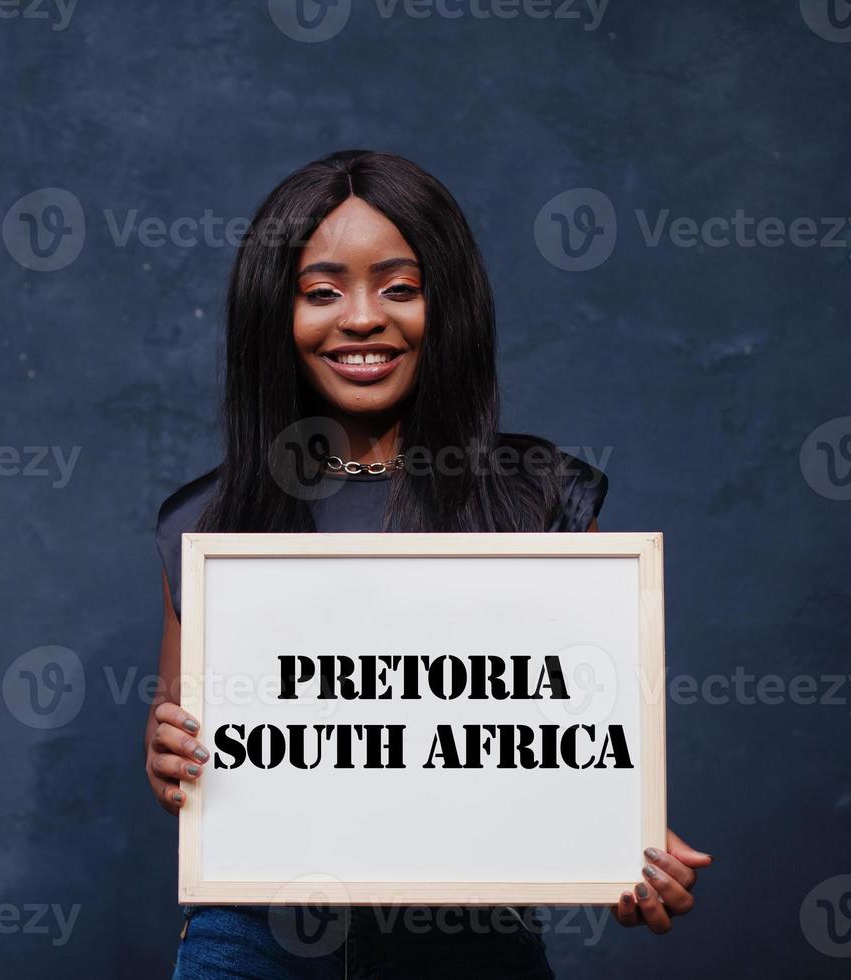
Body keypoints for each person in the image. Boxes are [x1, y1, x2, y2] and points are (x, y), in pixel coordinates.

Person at [144, 150, 712, 978]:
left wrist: (622, 834)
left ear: (447, 307)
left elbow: (581, 741)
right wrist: (168, 762)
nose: (363, 317)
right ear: (275, 313)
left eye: (400, 288)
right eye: (322, 290)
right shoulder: (206, 521)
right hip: (256, 941)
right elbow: (183, 750)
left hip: (468, 944)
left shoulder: (536, 498)